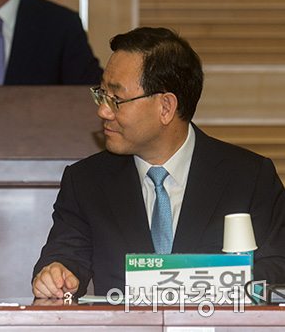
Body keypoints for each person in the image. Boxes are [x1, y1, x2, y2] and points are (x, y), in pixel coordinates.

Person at [32, 26, 285, 298]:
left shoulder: (249, 178)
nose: (103, 111)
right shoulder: (86, 181)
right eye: (101, 94)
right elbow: (65, 257)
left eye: (116, 99)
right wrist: (56, 273)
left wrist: (195, 284)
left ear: (165, 107)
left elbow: (278, 268)